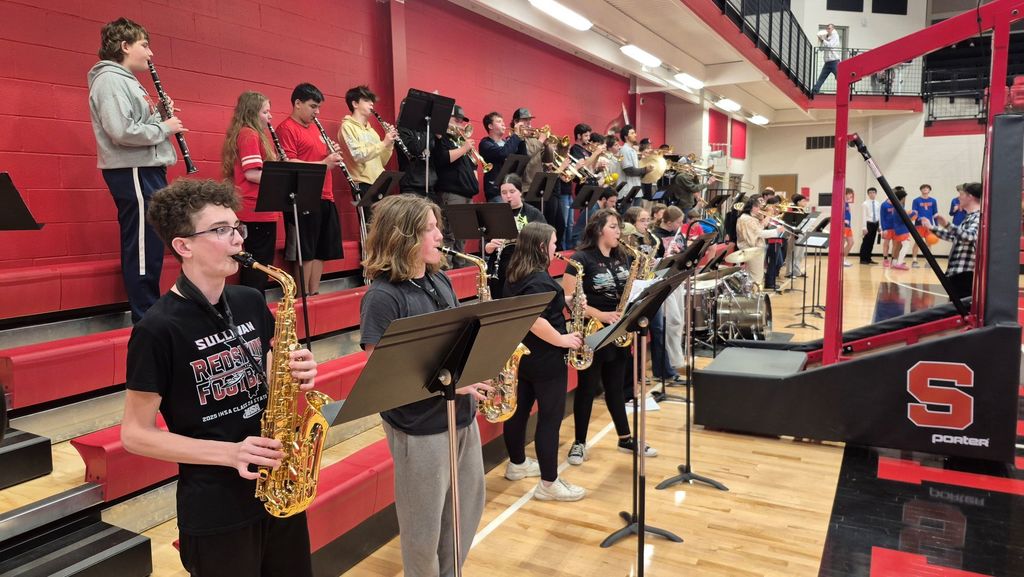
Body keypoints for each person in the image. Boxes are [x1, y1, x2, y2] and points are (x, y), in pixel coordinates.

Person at [121, 179, 319, 577]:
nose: (237, 239)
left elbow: (263, 374)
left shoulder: (248, 301)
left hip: (279, 486)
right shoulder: (157, 329)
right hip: (216, 507)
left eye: (236, 227)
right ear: (184, 246)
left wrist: (297, 373)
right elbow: (135, 434)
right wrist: (230, 454)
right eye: (221, 230)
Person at [359, 194, 491, 577]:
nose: (439, 234)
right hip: (419, 428)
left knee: (466, 510)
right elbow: (385, 376)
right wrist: (454, 381)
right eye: (429, 228)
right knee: (424, 530)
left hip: (460, 416)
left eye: (437, 225)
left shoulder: (438, 279)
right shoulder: (382, 297)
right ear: (404, 237)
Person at [88, 17, 187, 323]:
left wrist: (156, 114)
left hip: (145, 167)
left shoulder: (126, 80)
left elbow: (134, 124)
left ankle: (148, 308)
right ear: (125, 46)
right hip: (133, 169)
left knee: (151, 241)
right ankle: (145, 315)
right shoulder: (110, 80)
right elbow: (121, 131)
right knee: (143, 244)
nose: (150, 53)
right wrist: (164, 126)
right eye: (145, 45)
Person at [563, 208, 657, 466]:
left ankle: (624, 437)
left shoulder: (622, 257)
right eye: (614, 226)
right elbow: (568, 299)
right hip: (593, 331)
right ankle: (579, 442)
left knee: (616, 387)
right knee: (587, 389)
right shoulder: (580, 259)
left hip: (618, 331)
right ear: (598, 230)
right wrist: (601, 315)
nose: (619, 231)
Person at [502, 222, 586, 501]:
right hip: (546, 358)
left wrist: (568, 297)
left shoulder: (517, 273)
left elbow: (538, 305)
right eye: (552, 243)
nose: (555, 248)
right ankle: (548, 484)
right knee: (550, 419)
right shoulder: (538, 278)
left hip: (524, 357)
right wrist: (563, 340)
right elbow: (536, 320)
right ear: (540, 246)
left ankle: (517, 464)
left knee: (519, 411)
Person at [274, 83, 345, 295]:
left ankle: (314, 295)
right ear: (297, 103)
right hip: (302, 196)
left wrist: (332, 154)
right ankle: (302, 296)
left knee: (321, 250)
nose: (317, 112)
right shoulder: (285, 128)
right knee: (305, 251)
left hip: (325, 194)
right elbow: (290, 163)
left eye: (318, 107)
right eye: (313, 106)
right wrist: (325, 163)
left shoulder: (315, 128)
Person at [221, 91, 280, 293]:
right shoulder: (249, 134)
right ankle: (255, 308)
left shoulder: (246, 133)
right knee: (258, 266)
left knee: (256, 264)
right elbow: (253, 173)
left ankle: (254, 305)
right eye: (265, 112)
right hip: (257, 209)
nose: (270, 116)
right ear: (253, 112)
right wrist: (283, 178)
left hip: (256, 209)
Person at [484, 174, 546, 298]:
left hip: (527, 264)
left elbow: (545, 240)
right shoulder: (496, 214)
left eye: (512, 191)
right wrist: (490, 246)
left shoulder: (533, 213)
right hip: (501, 265)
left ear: (520, 192)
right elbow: (487, 247)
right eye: (504, 192)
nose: (508, 196)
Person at [433, 105, 479, 262]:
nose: (459, 124)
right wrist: (464, 148)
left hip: (466, 193)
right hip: (451, 192)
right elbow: (442, 159)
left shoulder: (458, 140)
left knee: (463, 235)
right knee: (450, 234)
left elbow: (471, 164)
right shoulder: (441, 138)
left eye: (461, 121)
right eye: (456, 120)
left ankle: (460, 266)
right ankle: (448, 269)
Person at [920, 182, 981, 300]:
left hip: (965, 272)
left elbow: (970, 236)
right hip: (957, 271)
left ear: (970, 196)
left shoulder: (978, 216)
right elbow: (955, 237)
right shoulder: (969, 216)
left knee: (960, 309)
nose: (959, 197)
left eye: (962, 194)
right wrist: (932, 227)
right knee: (954, 307)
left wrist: (947, 224)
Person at [338, 84, 396, 202]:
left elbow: (382, 161)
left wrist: (389, 143)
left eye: (372, 101)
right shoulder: (347, 127)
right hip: (363, 183)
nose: (371, 104)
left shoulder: (372, 131)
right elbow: (358, 155)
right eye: (366, 100)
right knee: (369, 220)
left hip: (380, 182)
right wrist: (384, 143)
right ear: (355, 104)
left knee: (382, 220)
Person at [736, 195, 783, 287]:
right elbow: (759, 233)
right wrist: (777, 231)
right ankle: (755, 297)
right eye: (758, 207)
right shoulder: (747, 219)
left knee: (754, 274)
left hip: (753, 249)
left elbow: (759, 227)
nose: (759, 209)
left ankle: (753, 296)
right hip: (752, 249)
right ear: (753, 207)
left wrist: (765, 217)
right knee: (756, 276)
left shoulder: (749, 218)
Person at [478, 112, 523, 203]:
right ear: (490, 126)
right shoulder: (485, 143)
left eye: (503, 121)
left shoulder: (508, 142)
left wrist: (522, 139)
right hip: (496, 192)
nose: (503, 124)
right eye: (499, 121)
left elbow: (523, 157)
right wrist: (516, 135)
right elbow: (503, 153)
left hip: (511, 189)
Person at [886, 186, 917, 271]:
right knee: (906, 245)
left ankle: (894, 263)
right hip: (901, 229)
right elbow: (903, 219)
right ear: (903, 198)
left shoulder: (897, 206)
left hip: (898, 228)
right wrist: (913, 213)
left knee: (898, 246)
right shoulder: (899, 206)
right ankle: (899, 263)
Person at [618, 125, 649, 207]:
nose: (635, 135)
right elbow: (629, 171)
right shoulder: (624, 150)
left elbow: (636, 169)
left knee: (636, 217)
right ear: (626, 137)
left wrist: (646, 171)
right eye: (632, 133)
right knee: (628, 217)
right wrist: (645, 169)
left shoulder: (632, 150)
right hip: (628, 191)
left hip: (636, 189)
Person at [910, 184, 938, 267]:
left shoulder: (933, 200)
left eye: (927, 188)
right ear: (921, 190)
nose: (925, 189)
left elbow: (935, 214)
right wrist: (920, 219)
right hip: (919, 225)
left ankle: (928, 261)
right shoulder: (916, 200)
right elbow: (914, 213)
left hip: (929, 225)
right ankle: (914, 261)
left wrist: (936, 226)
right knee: (917, 243)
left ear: (929, 190)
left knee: (929, 242)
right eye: (923, 188)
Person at [811, 23, 841, 96]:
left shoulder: (835, 36)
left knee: (839, 78)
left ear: (833, 29)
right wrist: (821, 41)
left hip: (834, 61)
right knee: (821, 78)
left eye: (829, 28)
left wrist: (823, 40)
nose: (828, 30)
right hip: (827, 62)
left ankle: (843, 92)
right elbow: (821, 49)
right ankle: (813, 92)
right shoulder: (826, 37)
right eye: (827, 28)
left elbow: (831, 45)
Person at [859, 187, 881, 265]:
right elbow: (864, 216)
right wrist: (864, 227)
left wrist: (879, 226)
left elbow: (879, 215)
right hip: (868, 224)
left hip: (875, 224)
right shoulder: (865, 204)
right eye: (870, 193)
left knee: (871, 242)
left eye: (873, 192)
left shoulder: (878, 203)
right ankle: (863, 259)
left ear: (876, 193)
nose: (872, 194)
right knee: (866, 242)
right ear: (868, 194)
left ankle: (868, 258)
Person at [842, 188, 856, 267]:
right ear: (846, 193)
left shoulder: (847, 203)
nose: (851, 196)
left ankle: (843, 259)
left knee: (851, 242)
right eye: (850, 194)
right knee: (842, 243)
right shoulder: (841, 202)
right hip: (843, 226)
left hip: (848, 226)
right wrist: (843, 221)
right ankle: (840, 260)